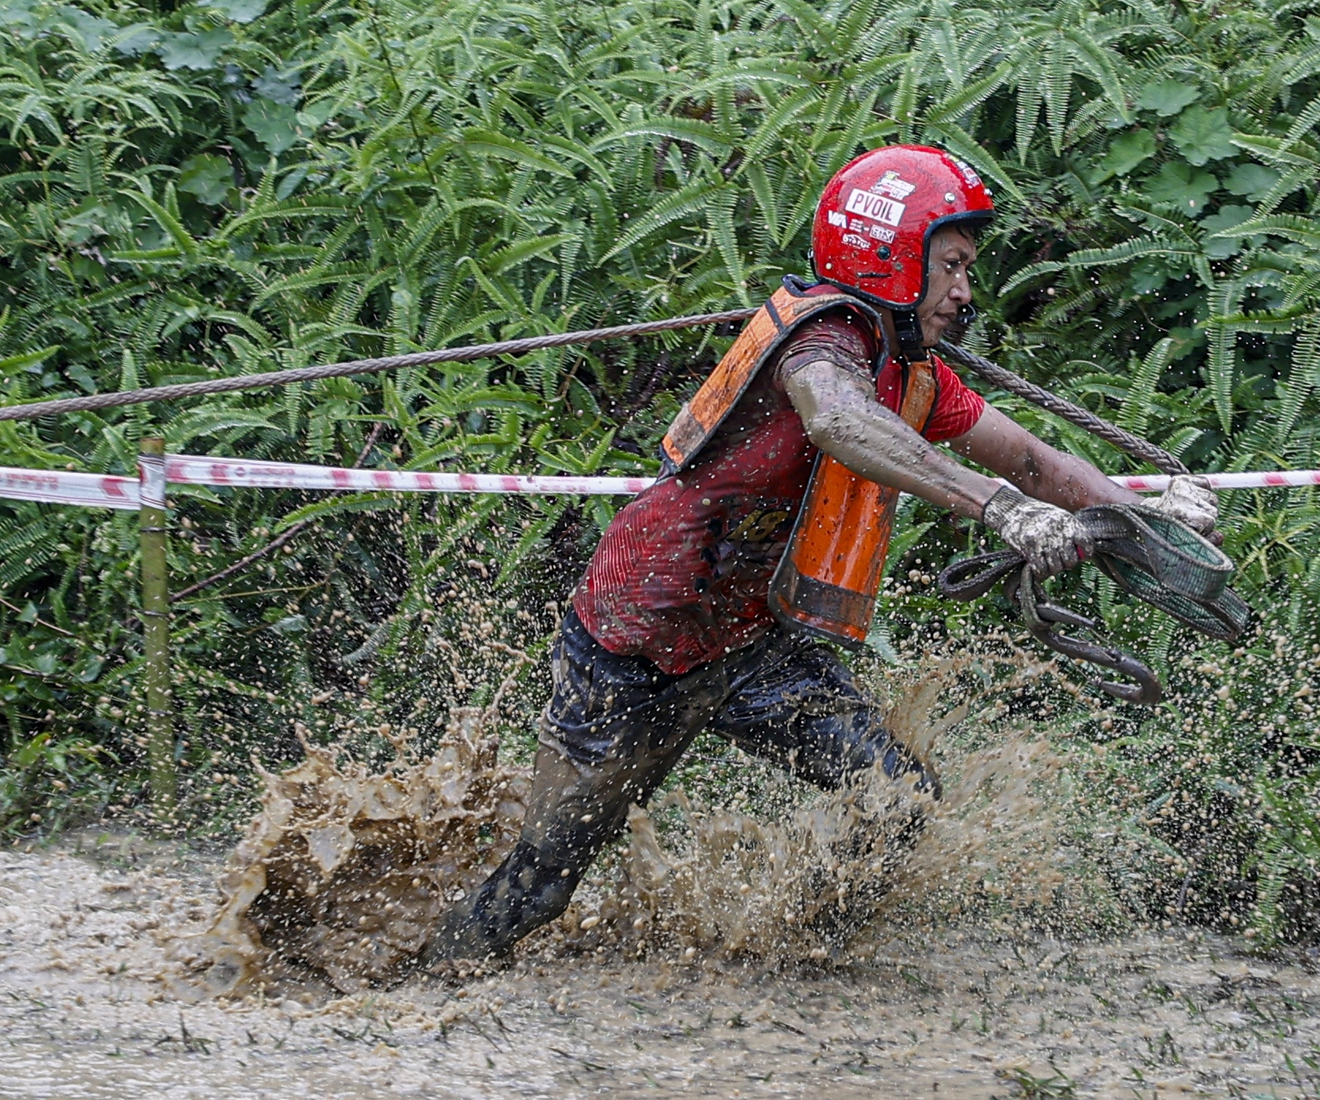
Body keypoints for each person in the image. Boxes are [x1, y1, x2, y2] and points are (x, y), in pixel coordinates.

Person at [423, 145, 1221, 967]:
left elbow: (1027, 459)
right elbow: (837, 418)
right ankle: (425, 980)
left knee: (898, 800)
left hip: (749, 640)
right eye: (950, 266)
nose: (963, 292)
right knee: (544, 883)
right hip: (637, 637)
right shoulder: (823, 340)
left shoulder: (909, 371)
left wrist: (1145, 516)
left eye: (967, 271)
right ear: (891, 253)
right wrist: (1002, 512)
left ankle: (794, 964)